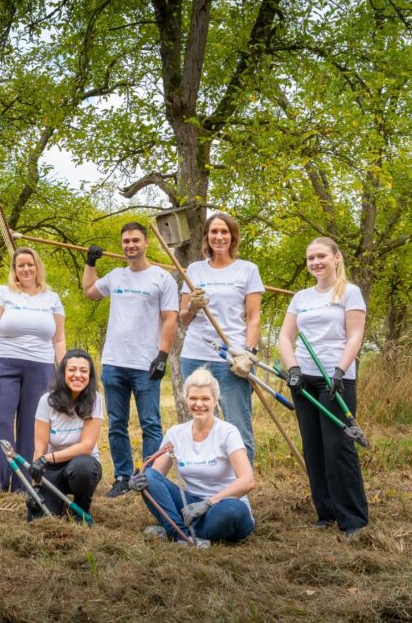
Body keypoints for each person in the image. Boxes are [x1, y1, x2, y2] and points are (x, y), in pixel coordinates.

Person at [278, 237, 368, 536]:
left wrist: (341, 370)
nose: (315, 262)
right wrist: (293, 369)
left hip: (335, 379)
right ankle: (326, 513)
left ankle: (353, 519)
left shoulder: (350, 293)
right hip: (305, 380)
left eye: (321, 256)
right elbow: (285, 337)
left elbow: (355, 336)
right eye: (310, 258)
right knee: (313, 448)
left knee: (338, 447)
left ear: (336, 258)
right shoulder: (301, 298)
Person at [82, 222, 178, 497]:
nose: (130, 245)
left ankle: (148, 477)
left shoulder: (162, 278)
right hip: (114, 362)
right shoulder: (115, 276)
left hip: (146, 364)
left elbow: (170, 319)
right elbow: (89, 291)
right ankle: (123, 477)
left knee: (150, 422)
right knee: (116, 423)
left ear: (146, 243)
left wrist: (163, 355)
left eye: (135, 240)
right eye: (126, 241)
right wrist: (91, 262)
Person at [0, 247, 66, 495]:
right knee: (0, 422)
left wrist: (64, 368)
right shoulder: (4, 293)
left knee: (31, 426)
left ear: (38, 267)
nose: (25, 269)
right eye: (20, 265)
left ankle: (23, 485)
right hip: (5, 365)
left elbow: (59, 339)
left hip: (41, 368)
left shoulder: (52, 298)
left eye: (30, 264)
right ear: (14, 270)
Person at [129, 367, 255, 545]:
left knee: (233, 510)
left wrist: (208, 503)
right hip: (189, 506)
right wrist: (138, 482)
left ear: (215, 400)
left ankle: (177, 530)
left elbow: (248, 481)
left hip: (221, 505)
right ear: (185, 399)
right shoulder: (176, 433)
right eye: (193, 398)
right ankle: (182, 535)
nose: (199, 404)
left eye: (205, 398)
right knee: (148, 475)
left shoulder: (228, 432)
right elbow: (155, 475)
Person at [178, 212, 264, 464]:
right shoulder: (194, 270)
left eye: (224, 231)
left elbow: (254, 316)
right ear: (207, 236)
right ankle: (204, 478)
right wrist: (193, 306)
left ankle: (241, 488)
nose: (219, 237)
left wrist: (249, 352)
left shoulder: (247, 270)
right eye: (214, 232)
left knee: (238, 425)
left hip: (233, 359)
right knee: (199, 423)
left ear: (233, 236)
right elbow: (183, 318)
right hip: (195, 355)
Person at [27, 349, 104, 522]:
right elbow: (40, 447)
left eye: (84, 371)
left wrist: (47, 458)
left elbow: (86, 446)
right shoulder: (47, 401)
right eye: (72, 370)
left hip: (83, 464)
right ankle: (54, 502)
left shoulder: (95, 399)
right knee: (38, 519)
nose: (78, 375)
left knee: (82, 466)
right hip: (53, 468)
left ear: (90, 376)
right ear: (63, 373)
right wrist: (36, 488)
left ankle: (81, 507)